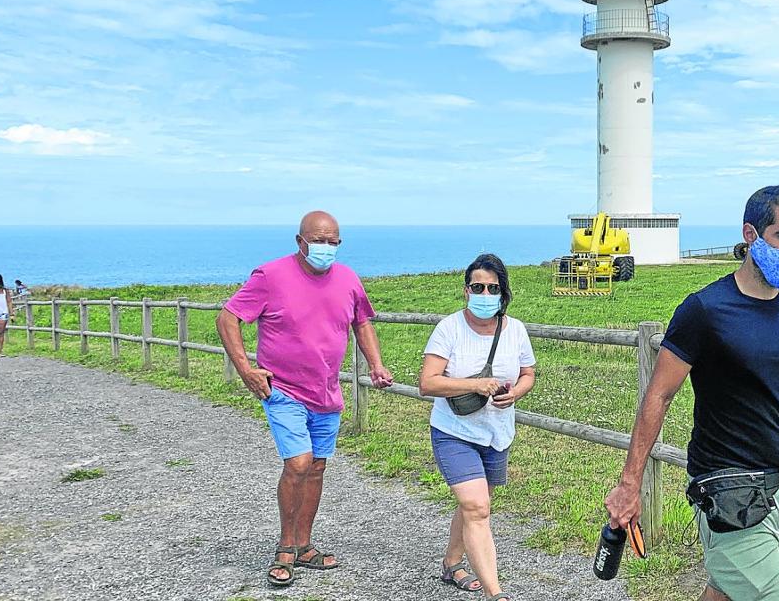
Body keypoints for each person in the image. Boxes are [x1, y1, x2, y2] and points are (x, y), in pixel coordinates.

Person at [604, 185, 779, 601]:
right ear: (750, 234)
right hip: (726, 488)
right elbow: (658, 396)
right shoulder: (706, 310)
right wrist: (629, 484)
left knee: (726, 590)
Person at [215, 211, 394, 589]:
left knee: (316, 467)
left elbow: (361, 322)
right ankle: (284, 547)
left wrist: (376, 364)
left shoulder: (347, 279)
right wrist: (247, 368)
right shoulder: (270, 276)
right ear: (300, 241)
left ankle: (304, 545)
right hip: (283, 390)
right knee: (298, 463)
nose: (325, 248)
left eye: (332, 242)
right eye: (318, 240)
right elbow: (228, 318)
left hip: (327, 392)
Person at [418, 254, 537, 601]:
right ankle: (495, 593)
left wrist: (515, 392)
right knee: (477, 507)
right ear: (466, 290)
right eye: (478, 287)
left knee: (474, 505)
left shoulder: (514, 330)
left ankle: (452, 562)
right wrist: (475, 385)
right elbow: (428, 383)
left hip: (497, 433)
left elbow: (528, 373)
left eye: (493, 288)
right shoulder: (449, 329)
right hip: (454, 432)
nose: (485, 294)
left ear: (503, 293)